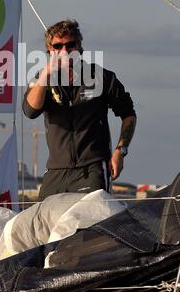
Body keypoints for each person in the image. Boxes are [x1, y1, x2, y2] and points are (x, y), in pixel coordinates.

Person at [22, 19, 136, 201]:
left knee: (88, 223)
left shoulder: (101, 77)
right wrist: (45, 74)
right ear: (50, 50)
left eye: (70, 45)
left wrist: (120, 151)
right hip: (56, 171)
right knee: (43, 225)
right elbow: (30, 111)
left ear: (79, 45)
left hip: (92, 169)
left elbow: (128, 115)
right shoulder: (43, 81)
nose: (64, 51)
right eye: (57, 46)